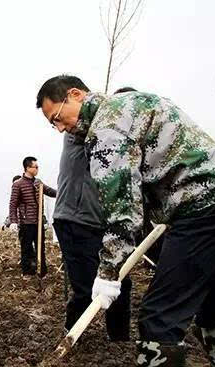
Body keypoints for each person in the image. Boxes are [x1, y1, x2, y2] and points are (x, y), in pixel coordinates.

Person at [36, 75, 215, 367]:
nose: (60, 128)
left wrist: (107, 273)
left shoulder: (105, 130)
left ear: (76, 95)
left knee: (158, 316)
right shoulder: (136, 102)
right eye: (53, 125)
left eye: (58, 116)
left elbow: (123, 212)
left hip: (200, 210)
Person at [51, 81, 133, 339]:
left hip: (106, 224)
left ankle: (118, 342)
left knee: (121, 284)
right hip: (76, 221)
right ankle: (71, 341)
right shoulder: (81, 127)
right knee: (86, 289)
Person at [8, 157, 56, 277]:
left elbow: (49, 191)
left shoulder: (38, 183)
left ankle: (42, 272)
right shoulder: (18, 184)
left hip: (38, 222)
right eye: (35, 167)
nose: (37, 169)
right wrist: (13, 221)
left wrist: (63, 193)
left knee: (41, 247)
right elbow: (13, 204)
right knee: (27, 248)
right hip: (26, 222)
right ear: (28, 168)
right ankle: (27, 273)